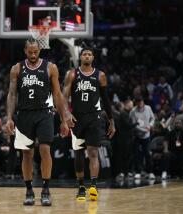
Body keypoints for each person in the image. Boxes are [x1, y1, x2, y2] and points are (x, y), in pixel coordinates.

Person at [5, 39, 71, 206]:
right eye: (30, 52)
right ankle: (29, 190)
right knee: (26, 153)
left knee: (45, 148)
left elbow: (57, 95)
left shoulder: (50, 67)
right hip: (24, 114)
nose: (33, 55)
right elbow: (12, 94)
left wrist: (64, 119)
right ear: (25, 51)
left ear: (39, 50)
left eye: (36, 52)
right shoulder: (16, 69)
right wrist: (9, 118)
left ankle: (46, 189)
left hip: (45, 113)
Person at [63, 47, 116, 201]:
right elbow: (64, 96)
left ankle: (93, 185)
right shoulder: (72, 74)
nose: (87, 56)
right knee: (78, 154)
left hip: (94, 117)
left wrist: (111, 121)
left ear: (93, 57)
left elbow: (106, 100)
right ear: (80, 57)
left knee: (93, 152)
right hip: (76, 118)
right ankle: (81, 187)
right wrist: (66, 114)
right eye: (84, 54)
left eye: (89, 54)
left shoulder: (100, 75)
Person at [129, 96, 155, 180]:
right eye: (138, 102)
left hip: (146, 135)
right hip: (137, 135)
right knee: (136, 154)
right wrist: (144, 130)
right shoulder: (133, 111)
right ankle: (137, 172)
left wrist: (150, 126)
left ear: (143, 102)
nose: (140, 104)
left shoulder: (148, 108)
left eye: (141, 102)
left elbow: (152, 118)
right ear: (136, 103)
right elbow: (133, 124)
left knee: (147, 153)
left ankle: (150, 172)